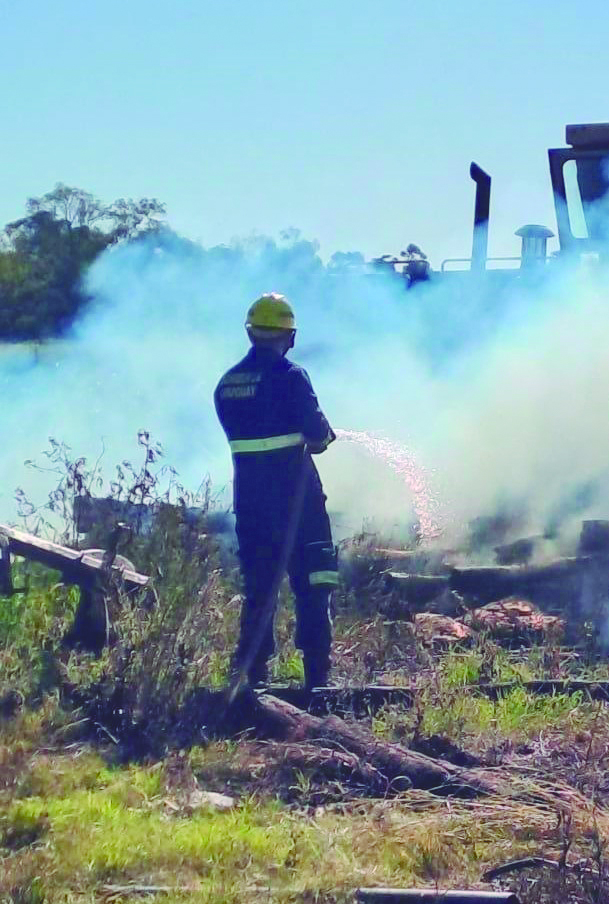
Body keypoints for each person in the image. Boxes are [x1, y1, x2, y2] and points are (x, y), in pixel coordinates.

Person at [214, 293, 337, 690]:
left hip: (250, 503)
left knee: (260, 587)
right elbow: (317, 434)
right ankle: (317, 678)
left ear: (251, 333)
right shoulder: (291, 376)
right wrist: (324, 436)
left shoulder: (227, 384)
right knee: (314, 580)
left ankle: (253, 678)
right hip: (297, 501)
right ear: (290, 335)